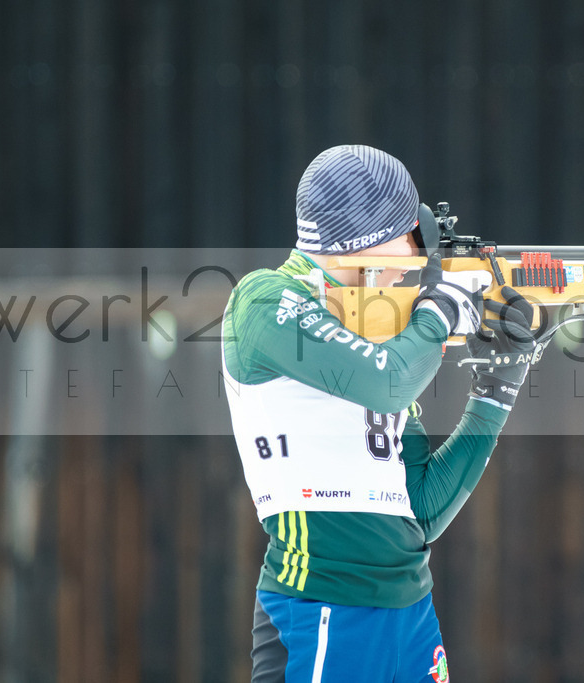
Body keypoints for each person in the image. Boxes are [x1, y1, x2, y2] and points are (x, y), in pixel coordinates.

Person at [221, 144, 538, 682]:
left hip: (412, 617)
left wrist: (496, 389)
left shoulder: (376, 330)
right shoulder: (264, 301)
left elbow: (420, 512)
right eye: (410, 236)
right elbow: (388, 381)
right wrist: (437, 314)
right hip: (320, 608)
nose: (418, 255)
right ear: (368, 237)